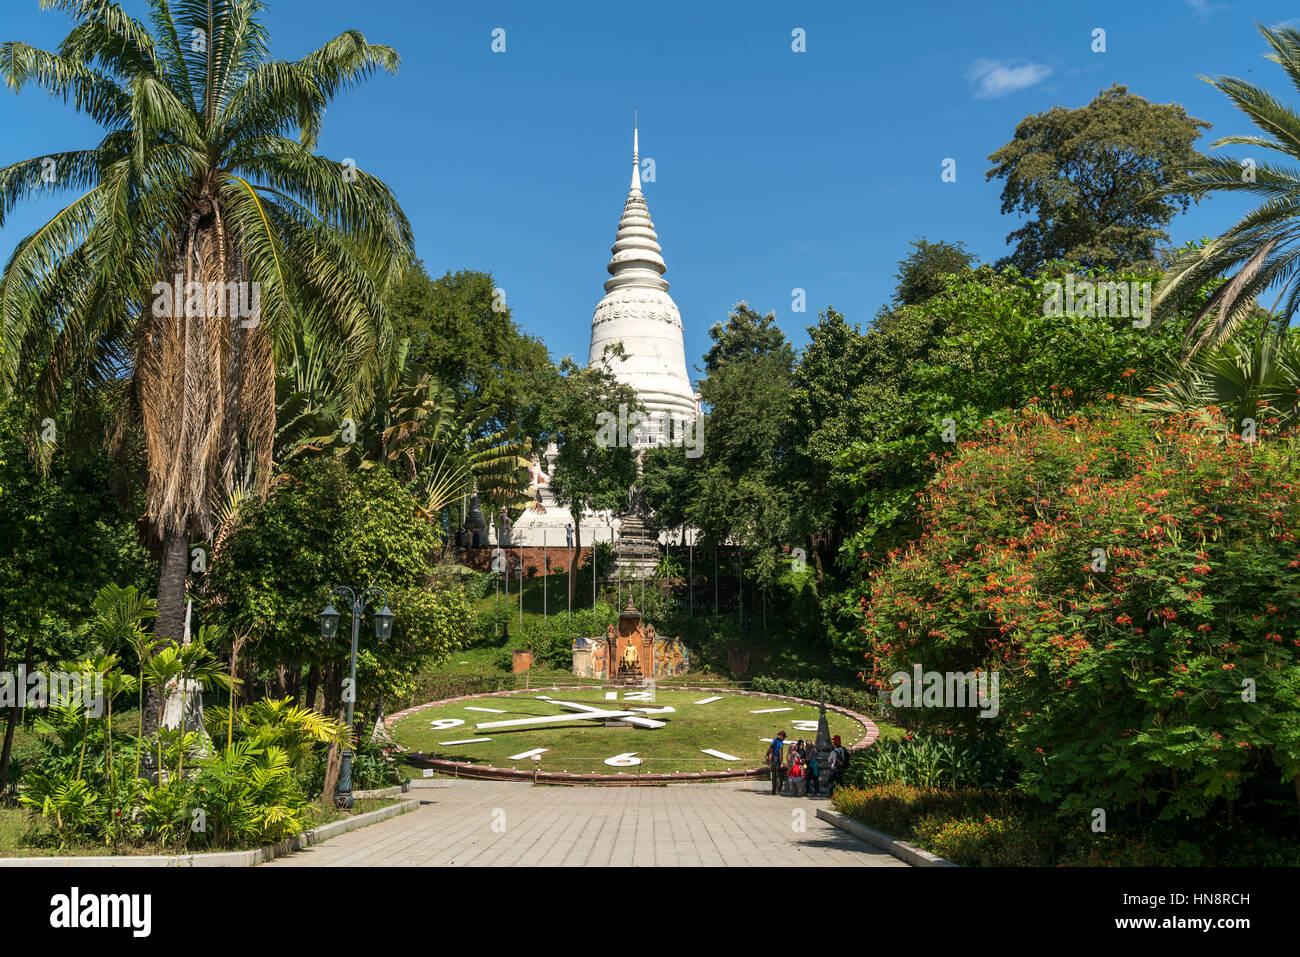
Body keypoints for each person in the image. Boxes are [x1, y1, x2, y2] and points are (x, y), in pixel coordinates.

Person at [764, 730, 787, 795]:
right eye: (784, 737)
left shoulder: (774, 740)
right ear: (781, 736)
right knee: (779, 776)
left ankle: (773, 790)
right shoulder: (780, 742)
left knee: (774, 776)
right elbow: (780, 753)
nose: (784, 739)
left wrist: (768, 759)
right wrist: (782, 762)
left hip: (772, 761)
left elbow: (769, 749)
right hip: (777, 762)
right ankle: (778, 790)